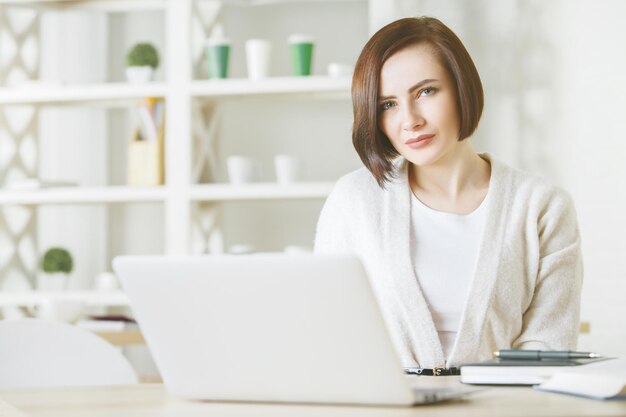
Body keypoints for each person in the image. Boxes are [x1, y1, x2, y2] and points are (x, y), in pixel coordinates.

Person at [314, 16, 583, 372]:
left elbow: (549, 347)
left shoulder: (542, 207)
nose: (410, 120)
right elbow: (328, 332)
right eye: (387, 105)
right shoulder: (354, 200)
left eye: (426, 91)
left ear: (461, 87)